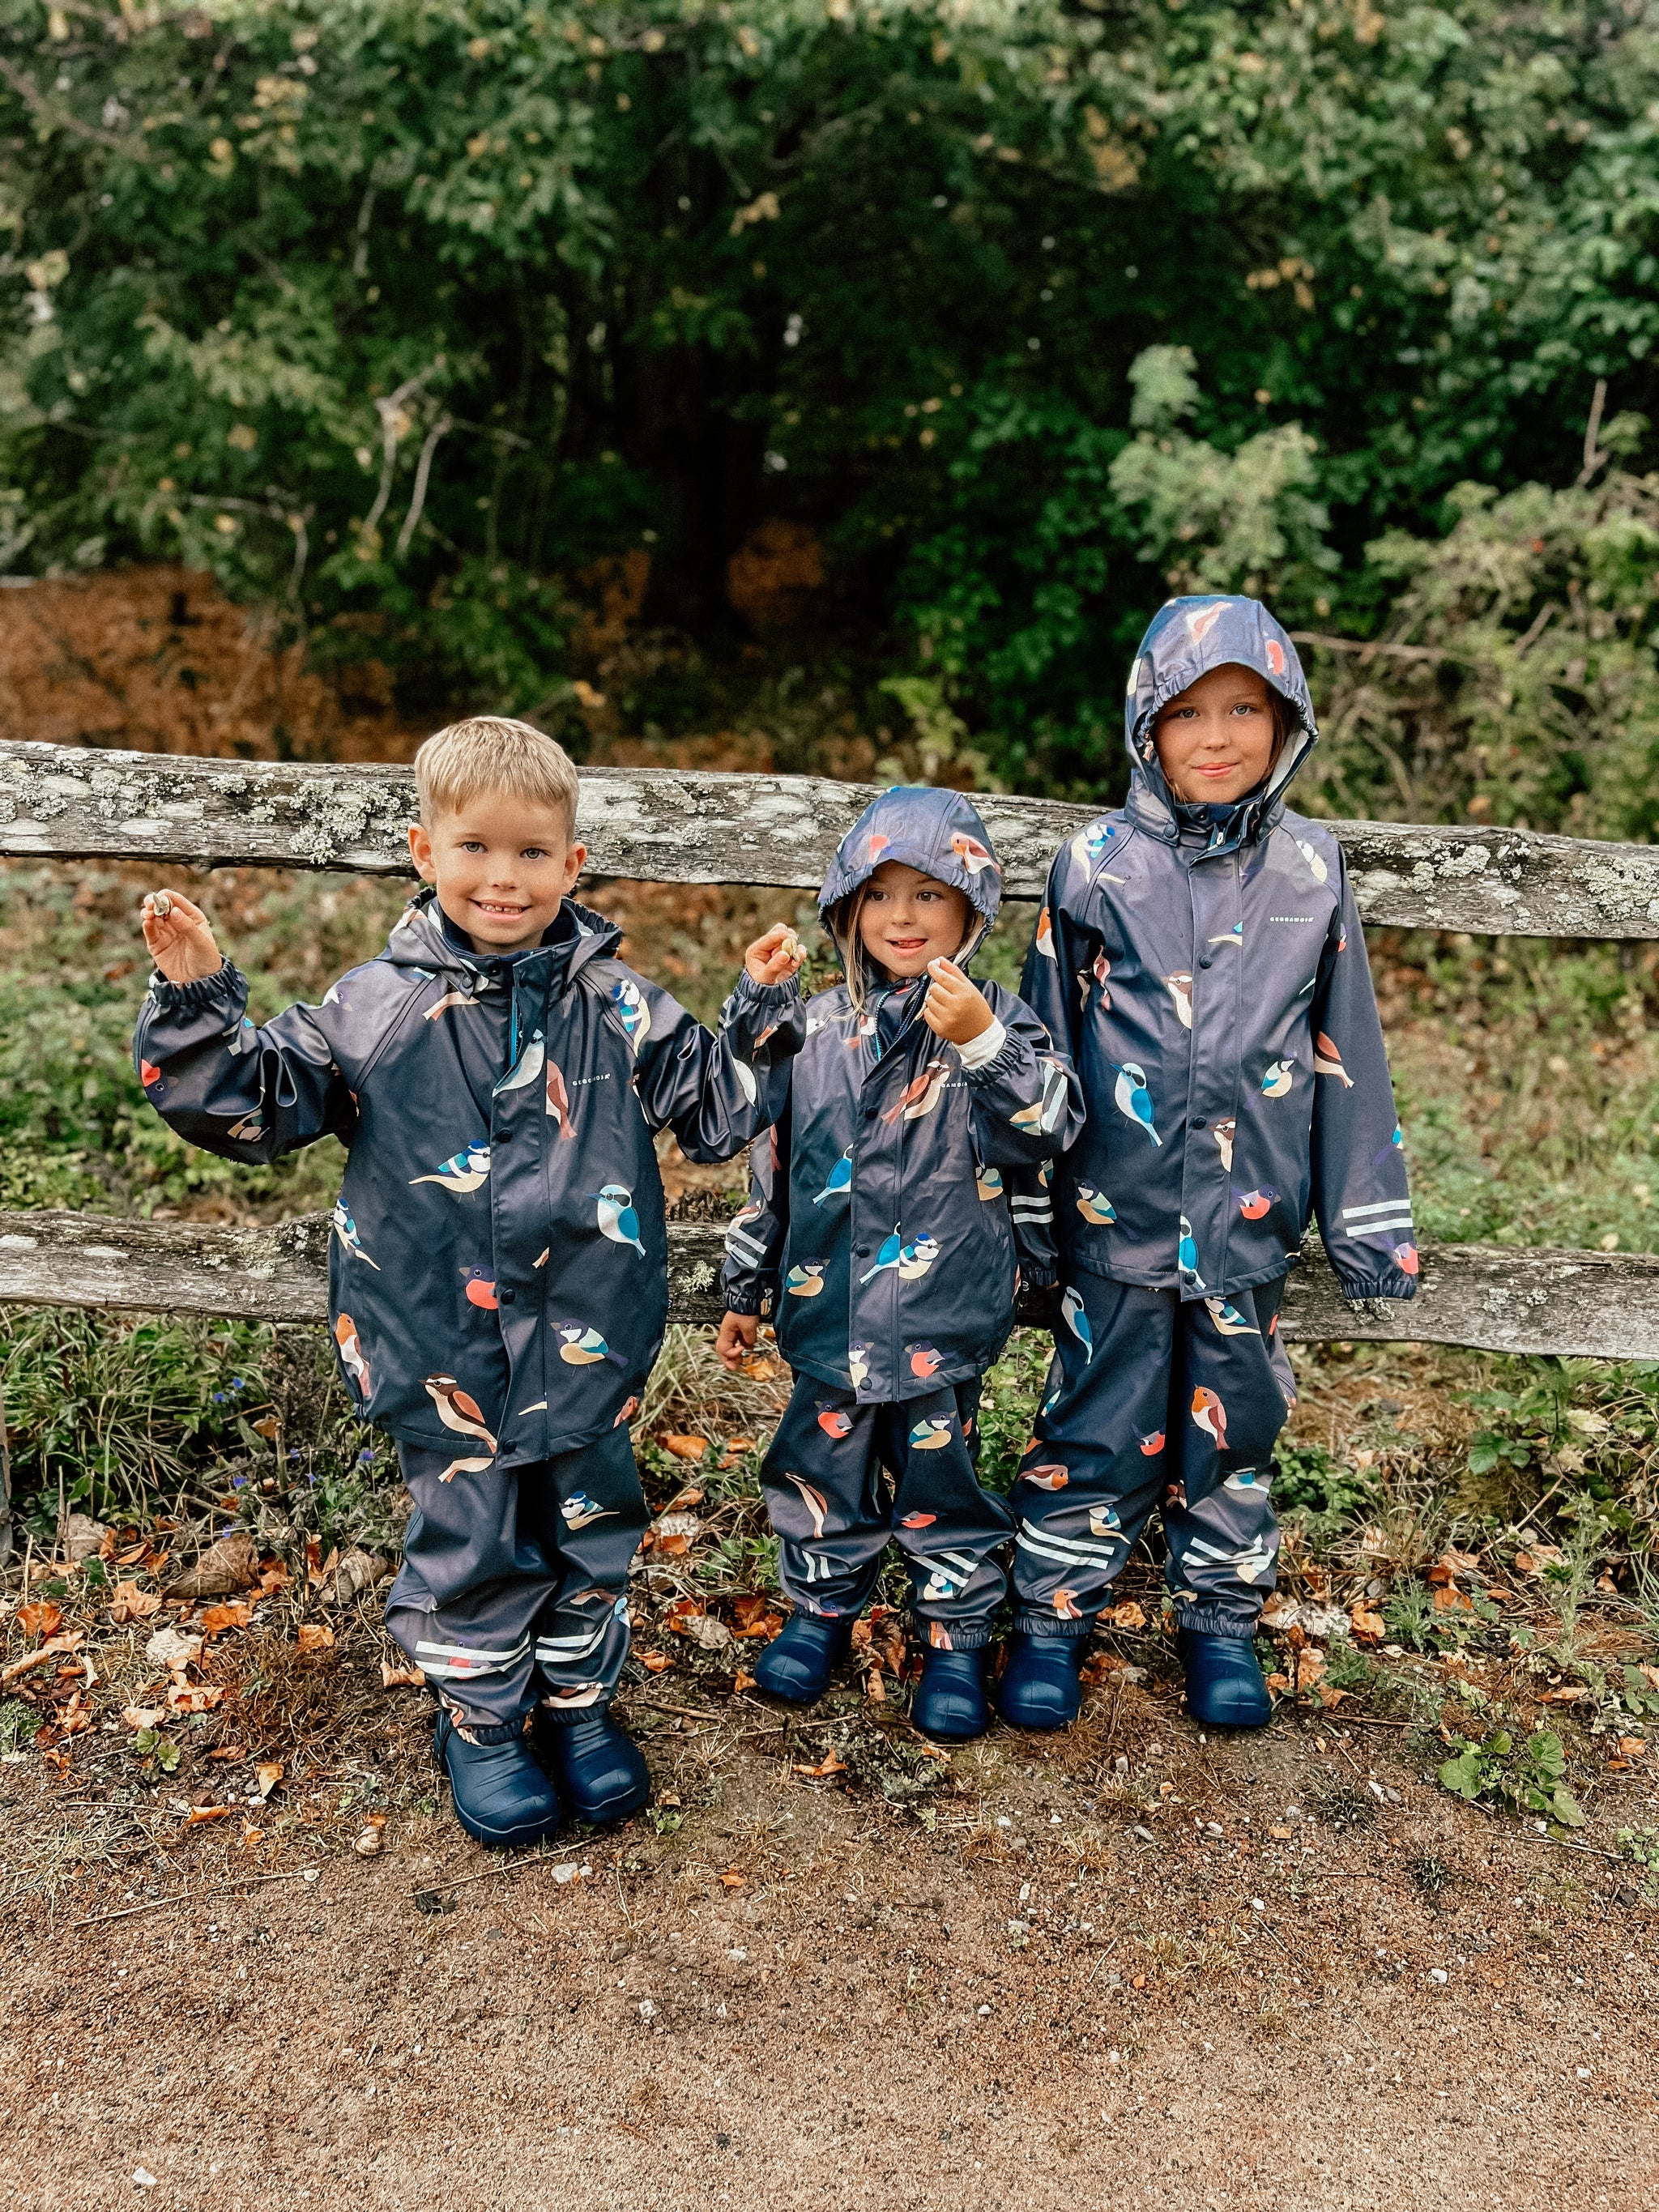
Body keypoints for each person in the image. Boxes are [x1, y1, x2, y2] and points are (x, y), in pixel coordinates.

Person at [134, 716, 804, 1847]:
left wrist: (757, 1010)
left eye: (532, 852)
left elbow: (718, 1112)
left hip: (589, 1335)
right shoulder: (377, 1004)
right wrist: (200, 995)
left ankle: (578, 1704)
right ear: (424, 850)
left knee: (592, 1526)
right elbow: (254, 1105)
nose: (504, 876)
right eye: (477, 848)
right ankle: (484, 1721)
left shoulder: (616, 1003)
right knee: (471, 1538)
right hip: (438, 1338)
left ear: (572, 864)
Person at [1009, 597, 1416, 1731]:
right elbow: (1043, 1047)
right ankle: (1050, 1617)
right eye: (1187, 713)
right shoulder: (1092, 866)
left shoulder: (1312, 867)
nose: (1217, 735)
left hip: (1247, 1219)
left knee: (1235, 1428)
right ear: (1147, 726)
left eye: (1243, 708)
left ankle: (1221, 1621)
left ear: (1285, 720)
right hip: (1116, 1214)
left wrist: (1368, 1222)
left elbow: (1345, 1043)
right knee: (1094, 1418)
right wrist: (1028, 1219)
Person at [716, 786, 1082, 1741]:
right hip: (827, 1307)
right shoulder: (814, 1029)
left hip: (942, 1311)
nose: (902, 916)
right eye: (878, 894)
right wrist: (746, 1282)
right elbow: (766, 1158)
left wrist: (981, 1042)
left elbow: (1050, 1125)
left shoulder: (997, 1020)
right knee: (819, 1471)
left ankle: (953, 1634)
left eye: (928, 894)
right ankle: (818, 1610)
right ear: (846, 909)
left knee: (941, 1479)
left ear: (971, 909)